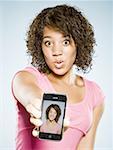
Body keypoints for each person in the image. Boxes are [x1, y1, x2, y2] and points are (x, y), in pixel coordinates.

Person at [12, 4, 105, 150]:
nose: (57, 51)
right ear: (39, 47)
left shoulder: (95, 94)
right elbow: (29, 93)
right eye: (48, 43)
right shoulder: (26, 77)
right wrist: (40, 106)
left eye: (65, 42)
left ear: (78, 43)